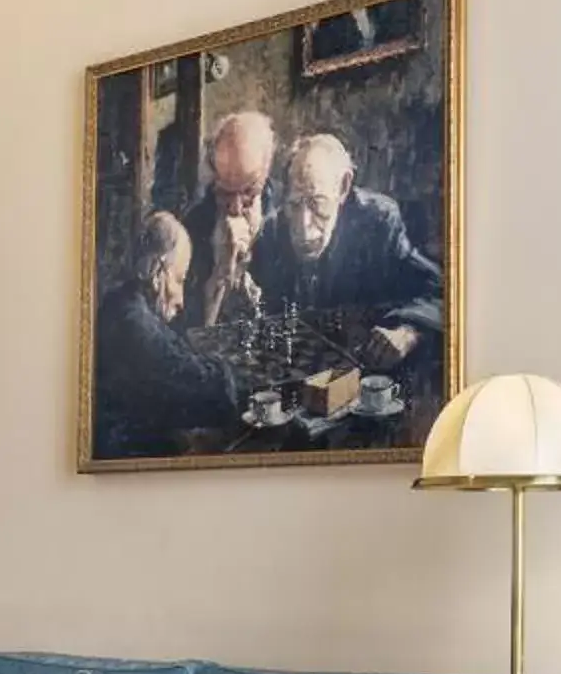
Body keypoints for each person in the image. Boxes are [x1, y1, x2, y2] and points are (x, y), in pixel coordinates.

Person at [249, 132, 444, 374]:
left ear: (343, 187)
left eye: (317, 203)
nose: (303, 227)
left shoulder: (377, 222)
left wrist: (408, 332)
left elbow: (442, 291)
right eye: (294, 204)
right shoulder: (271, 232)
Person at [93, 212, 240, 457]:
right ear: (159, 272)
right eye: (180, 279)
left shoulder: (126, 302)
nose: (181, 301)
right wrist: (231, 373)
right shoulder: (133, 322)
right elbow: (204, 384)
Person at [176, 110, 276, 331]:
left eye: (249, 192)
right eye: (225, 194)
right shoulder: (193, 227)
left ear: (265, 173)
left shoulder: (284, 220)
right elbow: (188, 331)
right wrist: (221, 273)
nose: (236, 208)